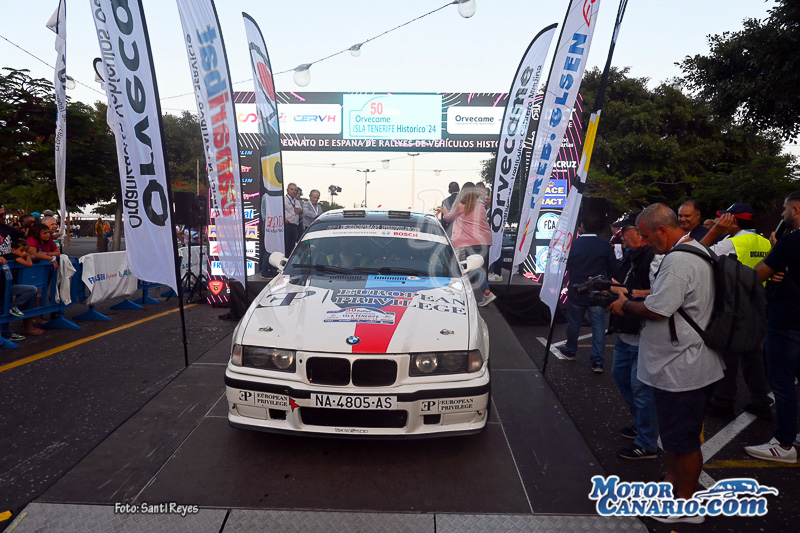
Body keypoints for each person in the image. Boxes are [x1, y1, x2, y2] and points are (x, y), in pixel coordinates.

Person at [609, 204, 723, 522]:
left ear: (662, 229)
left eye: (646, 236)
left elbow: (658, 309)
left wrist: (625, 305)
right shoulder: (694, 251)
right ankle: (673, 486)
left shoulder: (679, 260)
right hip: (684, 363)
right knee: (675, 439)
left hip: (683, 367)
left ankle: (686, 506)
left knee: (684, 442)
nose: (644, 242)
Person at [700, 203, 772, 420]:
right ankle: (761, 401)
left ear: (733, 221)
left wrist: (715, 231)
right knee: (753, 355)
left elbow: (696, 255)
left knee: (727, 353)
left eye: (724, 217)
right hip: (760, 303)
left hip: (734, 305)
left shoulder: (731, 243)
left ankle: (723, 402)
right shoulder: (765, 242)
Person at [744, 191, 800, 463]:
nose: (782, 214)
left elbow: (758, 274)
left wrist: (777, 253)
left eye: (785, 209)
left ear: (796, 210)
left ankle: (784, 444)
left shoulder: (790, 241)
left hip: (786, 322)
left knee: (782, 383)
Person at [606, 211, 660, 460]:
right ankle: (641, 423)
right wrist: (609, 289)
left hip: (643, 332)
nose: (622, 237)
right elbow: (619, 283)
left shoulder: (656, 257)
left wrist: (628, 294)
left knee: (641, 388)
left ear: (640, 233)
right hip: (626, 331)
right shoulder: (631, 256)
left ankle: (647, 441)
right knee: (621, 378)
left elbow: (660, 291)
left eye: (625, 232)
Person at [559, 209, 618, 373]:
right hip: (597, 291)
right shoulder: (605, 245)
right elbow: (613, 269)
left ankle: (571, 350)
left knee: (574, 323)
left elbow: (565, 265)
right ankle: (597, 361)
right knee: (598, 326)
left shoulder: (573, 244)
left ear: (582, 225)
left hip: (576, 289)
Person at [441, 183, 496, 307]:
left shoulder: (461, 205)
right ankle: (484, 293)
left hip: (469, 241)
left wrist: (445, 212)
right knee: (477, 267)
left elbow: (449, 218)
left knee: (469, 268)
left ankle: (485, 293)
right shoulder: (481, 204)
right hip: (485, 241)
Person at [1, 238, 41, 338]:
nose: (24, 253)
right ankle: (6, 332)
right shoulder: (11, 256)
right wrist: (28, 256)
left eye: (25, 251)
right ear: (13, 250)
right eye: (21, 250)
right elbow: (29, 264)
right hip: (3, 287)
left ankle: (12, 306)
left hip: (8, 286)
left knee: (32, 289)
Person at [284, 183, 303, 253]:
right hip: (286, 225)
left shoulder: (297, 202)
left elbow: (301, 213)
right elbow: (279, 211)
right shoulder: (284, 199)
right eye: (291, 189)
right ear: (287, 190)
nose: (293, 191)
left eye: (295, 190)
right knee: (285, 245)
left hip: (295, 226)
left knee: (292, 246)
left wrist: (300, 211)